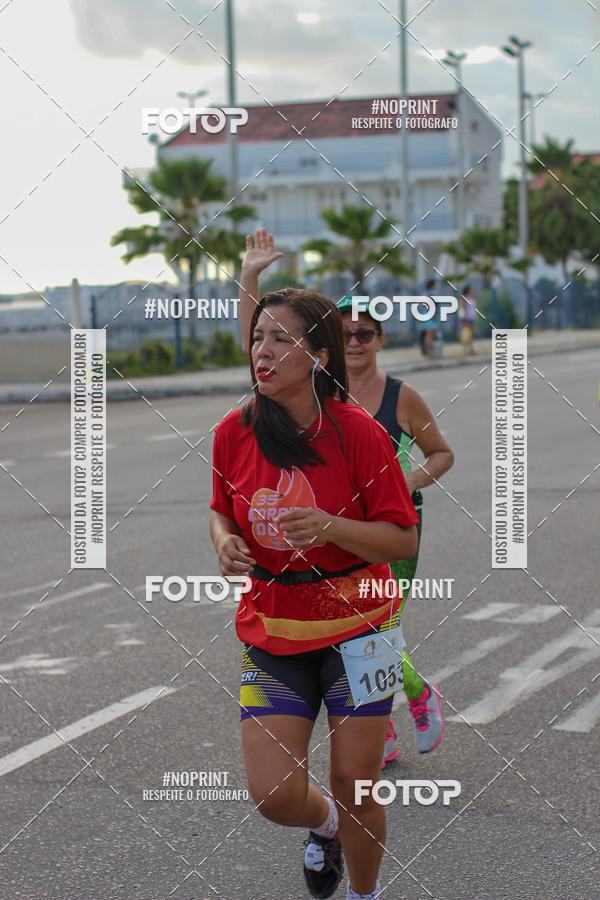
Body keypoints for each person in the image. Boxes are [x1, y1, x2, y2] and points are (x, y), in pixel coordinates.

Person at [210, 287, 419, 900]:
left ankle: (363, 894)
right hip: (273, 631)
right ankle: (325, 826)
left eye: (281, 339)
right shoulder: (234, 430)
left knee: (357, 782)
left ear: (319, 355)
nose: (262, 353)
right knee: (273, 796)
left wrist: (330, 527)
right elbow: (220, 510)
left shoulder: (357, 432)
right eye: (257, 338)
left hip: (365, 629)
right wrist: (223, 540)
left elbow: (400, 538)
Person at [239, 230, 454, 765]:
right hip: (316, 532)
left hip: (387, 530)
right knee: (340, 623)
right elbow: (260, 349)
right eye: (349, 334)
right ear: (332, 345)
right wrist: (250, 279)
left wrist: (402, 482)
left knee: (381, 623)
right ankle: (395, 706)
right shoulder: (315, 390)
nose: (357, 341)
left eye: (367, 333)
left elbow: (441, 454)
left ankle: (391, 712)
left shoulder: (403, 397)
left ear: (380, 340)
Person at [420, 278, 439, 360]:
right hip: (429, 315)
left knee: (432, 334)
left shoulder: (433, 292)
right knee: (429, 335)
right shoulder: (427, 293)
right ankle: (428, 353)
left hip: (434, 316)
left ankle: (432, 353)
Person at [458, 284, 477, 356]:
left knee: (471, 334)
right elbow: (463, 309)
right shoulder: (464, 298)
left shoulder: (471, 298)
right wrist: (464, 319)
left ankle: (471, 349)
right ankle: (465, 350)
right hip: (466, 319)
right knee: (465, 334)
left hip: (471, 318)